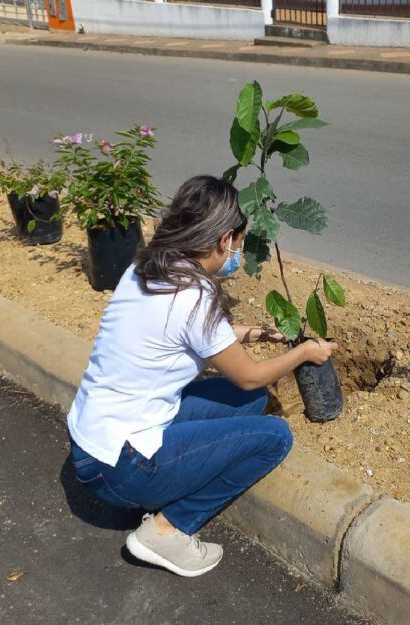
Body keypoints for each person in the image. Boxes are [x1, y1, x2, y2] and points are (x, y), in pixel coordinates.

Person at [66, 175, 337, 577]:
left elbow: (203, 338)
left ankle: (171, 478)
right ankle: (167, 530)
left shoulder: (151, 268)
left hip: (96, 441)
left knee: (250, 403)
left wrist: (259, 333)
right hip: (118, 468)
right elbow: (249, 376)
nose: (238, 254)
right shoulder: (193, 298)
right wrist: (304, 353)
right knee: (274, 437)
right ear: (225, 239)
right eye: (239, 244)